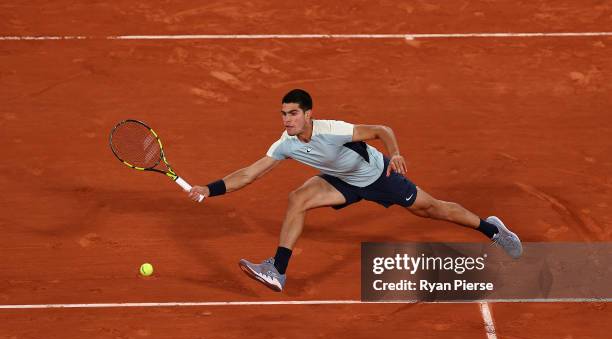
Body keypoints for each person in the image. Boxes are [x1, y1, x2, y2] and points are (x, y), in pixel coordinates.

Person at [188, 89, 522, 292]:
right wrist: (209, 188)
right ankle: (278, 269)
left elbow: (381, 130)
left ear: (308, 115)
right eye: (283, 114)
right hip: (341, 179)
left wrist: (398, 154)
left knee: (432, 209)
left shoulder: (333, 130)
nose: (287, 119)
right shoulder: (285, 144)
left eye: (293, 114)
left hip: (379, 177)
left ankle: (493, 229)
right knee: (298, 198)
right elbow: (250, 173)